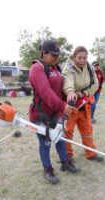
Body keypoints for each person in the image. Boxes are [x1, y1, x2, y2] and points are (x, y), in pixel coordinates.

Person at [28, 40, 80, 184]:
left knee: (60, 138)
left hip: (56, 113)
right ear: (44, 53)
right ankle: (48, 170)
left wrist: (69, 97)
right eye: (53, 55)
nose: (56, 58)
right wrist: (62, 106)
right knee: (45, 142)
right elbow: (45, 92)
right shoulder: (36, 68)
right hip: (41, 115)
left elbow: (59, 89)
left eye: (58, 55)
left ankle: (65, 163)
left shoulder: (56, 68)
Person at [62, 46, 104, 162]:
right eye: (79, 57)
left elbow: (96, 84)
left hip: (84, 104)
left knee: (87, 130)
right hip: (70, 105)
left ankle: (90, 153)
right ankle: (67, 156)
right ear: (74, 57)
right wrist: (70, 91)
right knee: (67, 131)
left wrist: (84, 93)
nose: (82, 60)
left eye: (84, 58)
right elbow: (67, 82)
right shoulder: (68, 68)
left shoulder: (90, 67)